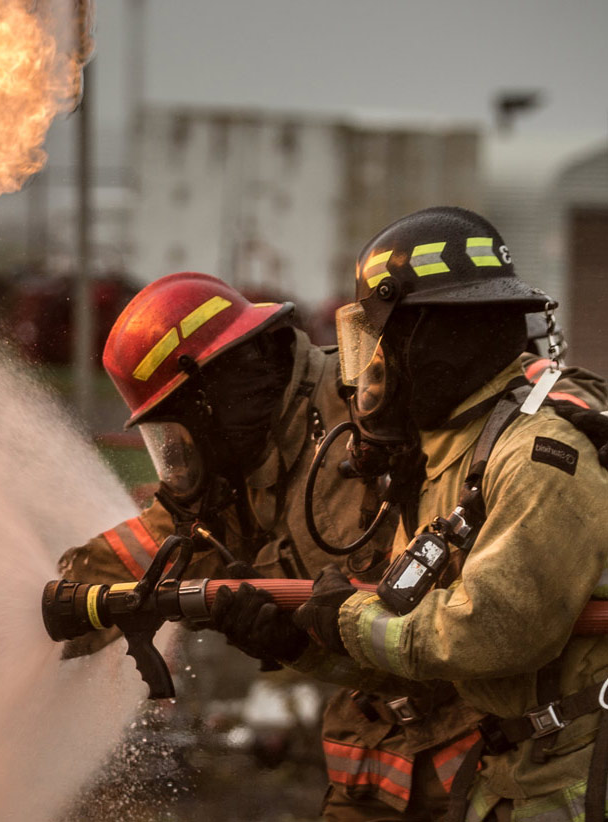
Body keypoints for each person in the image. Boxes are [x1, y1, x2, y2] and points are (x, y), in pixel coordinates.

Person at [57, 269, 606, 821]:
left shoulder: (374, 400)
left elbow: (499, 386)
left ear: (220, 387)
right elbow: (135, 558)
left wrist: (570, 404)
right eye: (164, 441)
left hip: (481, 747)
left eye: (177, 431)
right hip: (369, 755)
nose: (179, 456)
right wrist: (46, 606)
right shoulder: (228, 472)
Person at [292, 206, 608, 822]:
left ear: (426, 339)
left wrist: (349, 622)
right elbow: (434, 667)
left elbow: (494, 630)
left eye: (378, 340)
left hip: (577, 783)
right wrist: (302, 641)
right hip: (513, 774)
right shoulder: (453, 456)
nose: (369, 369)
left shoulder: (540, 455)